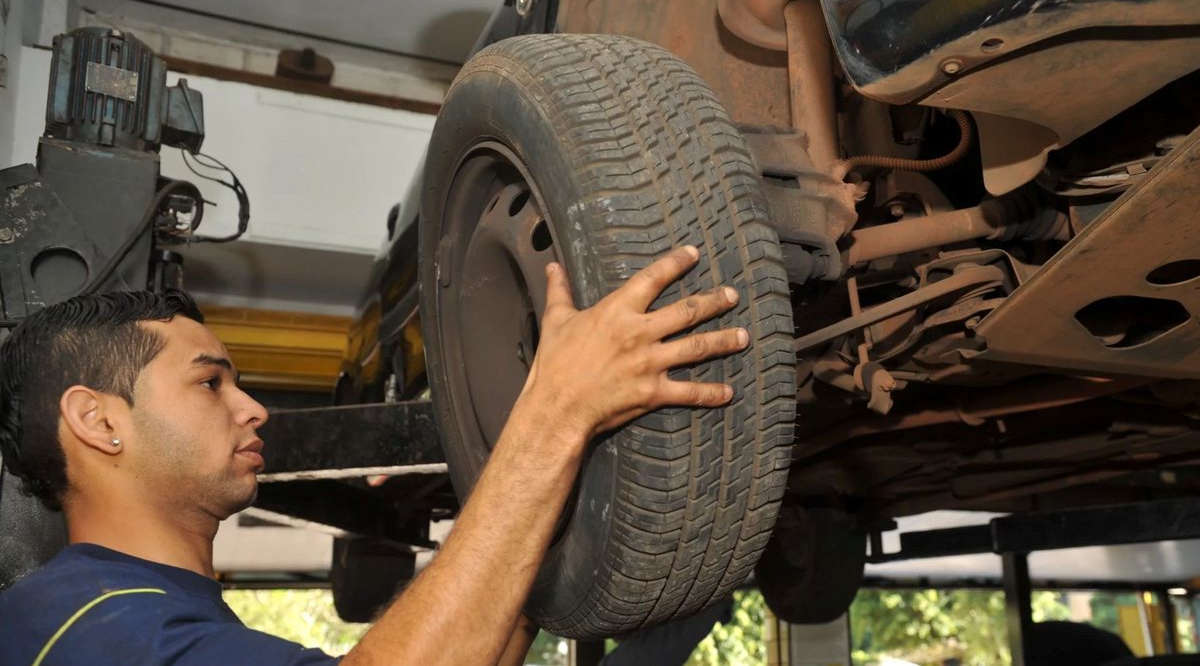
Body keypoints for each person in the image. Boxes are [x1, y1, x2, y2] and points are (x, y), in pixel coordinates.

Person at [0, 246, 748, 665]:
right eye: (210, 380)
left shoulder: (133, 612)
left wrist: (545, 505)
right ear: (96, 420)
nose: (253, 405)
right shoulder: (87, 628)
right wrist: (552, 413)